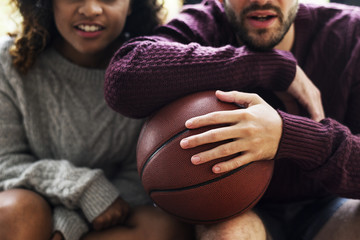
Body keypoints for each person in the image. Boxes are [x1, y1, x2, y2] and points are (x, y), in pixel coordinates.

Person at [104, 0, 360, 239]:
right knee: (229, 233)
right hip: (238, 211)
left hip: (333, 205)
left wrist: (287, 136)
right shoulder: (204, 24)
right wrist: (267, 66)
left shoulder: (351, 32)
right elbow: (122, 78)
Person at [0, 0, 195, 240]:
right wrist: (83, 189)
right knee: (17, 209)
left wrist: (74, 219)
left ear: (132, 4)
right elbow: (5, 162)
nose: (91, 9)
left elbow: (142, 175)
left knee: (165, 228)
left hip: (109, 214)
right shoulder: (9, 63)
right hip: (30, 207)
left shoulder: (148, 72)